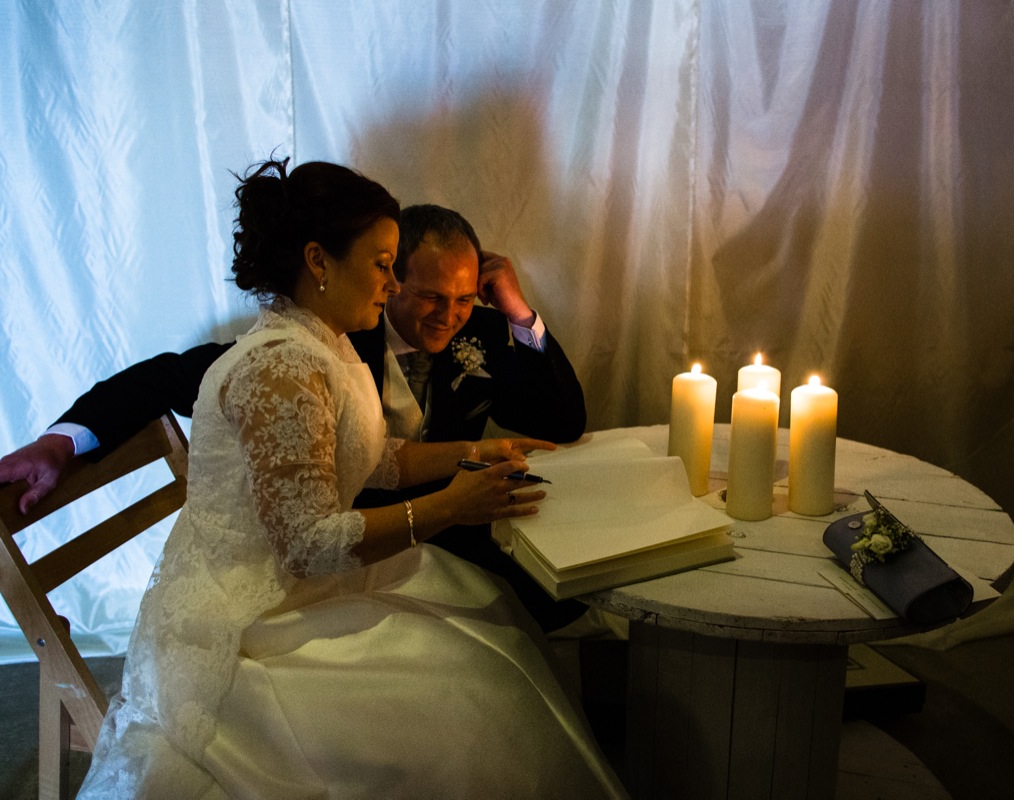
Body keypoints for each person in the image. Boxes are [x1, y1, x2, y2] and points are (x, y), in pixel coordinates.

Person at [75, 159, 625, 798]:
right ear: (319, 261)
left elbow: (379, 459)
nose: (391, 285)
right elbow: (307, 546)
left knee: (492, 629)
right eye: (384, 264)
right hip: (261, 612)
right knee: (468, 698)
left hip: (326, 575)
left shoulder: (325, 343)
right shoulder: (281, 365)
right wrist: (451, 506)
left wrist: (477, 450)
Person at [0, 205, 589, 631]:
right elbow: (159, 378)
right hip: (348, 551)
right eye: (430, 296)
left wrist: (516, 310)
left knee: (561, 594)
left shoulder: (479, 331)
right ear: (391, 278)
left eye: (463, 299)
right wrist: (61, 442)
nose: (449, 316)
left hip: (438, 527)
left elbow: (563, 422)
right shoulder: (315, 346)